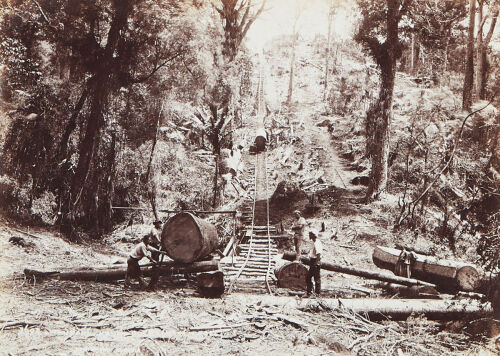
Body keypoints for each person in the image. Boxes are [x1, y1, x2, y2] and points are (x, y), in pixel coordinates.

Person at [306, 228, 322, 297]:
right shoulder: (314, 242)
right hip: (313, 261)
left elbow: (318, 254)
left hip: (315, 261)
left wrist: (317, 263)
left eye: (310, 234)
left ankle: (317, 293)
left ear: (313, 235)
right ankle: (310, 292)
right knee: (308, 277)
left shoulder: (317, 243)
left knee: (316, 278)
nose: (309, 235)